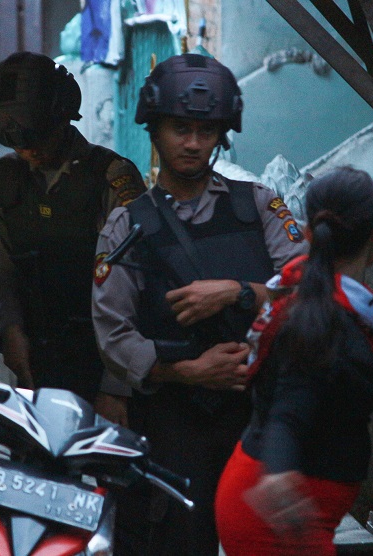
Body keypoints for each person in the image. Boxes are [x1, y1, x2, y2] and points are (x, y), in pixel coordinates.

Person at [91, 53, 308, 555]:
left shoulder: (258, 206)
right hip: (171, 427)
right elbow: (113, 334)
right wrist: (189, 371)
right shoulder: (126, 225)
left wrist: (237, 292)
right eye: (179, 128)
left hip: (258, 423)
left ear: (222, 134)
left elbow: (309, 294)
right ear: (154, 129)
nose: (192, 143)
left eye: (205, 130)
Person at [215, 167, 373, 556]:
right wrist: (280, 475)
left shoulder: (336, 309)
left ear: (307, 234)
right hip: (277, 520)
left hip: (283, 512)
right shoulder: (325, 324)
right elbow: (287, 413)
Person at [0, 52, 146, 403]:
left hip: (104, 366)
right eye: (17, 145)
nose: (28, 152)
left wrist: (116, 388)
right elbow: (4, 273)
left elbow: (137, 288)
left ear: (63, 117)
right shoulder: (7, 180)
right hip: (34, 366)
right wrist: (11, 333)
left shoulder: (111, 177)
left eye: (36, 139)